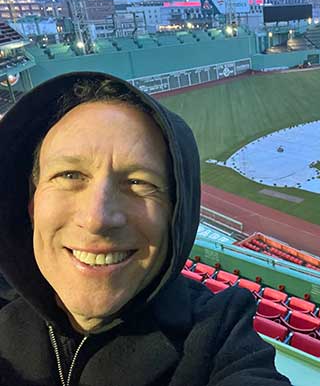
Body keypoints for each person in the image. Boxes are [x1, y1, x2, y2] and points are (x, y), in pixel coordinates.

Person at [0, 72, 291, 386]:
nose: (98, 218)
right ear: (31, 202)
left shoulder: (219, 332)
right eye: (69, 175)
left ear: (175, 214)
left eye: (139, 183)